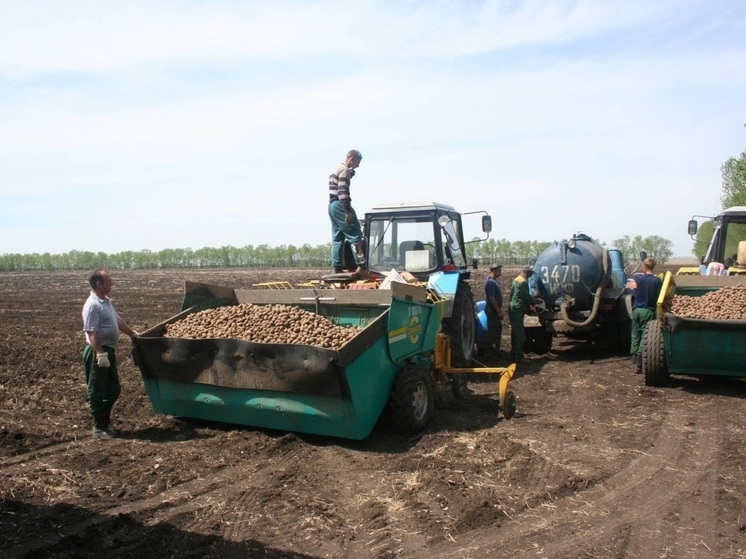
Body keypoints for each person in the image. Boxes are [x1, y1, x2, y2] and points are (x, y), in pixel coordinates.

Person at [81, 268, 138, 439]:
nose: (111, 283)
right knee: (97, 388)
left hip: (108, 351)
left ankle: (104, 423)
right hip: (98, 351)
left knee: (113, 389)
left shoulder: (106, 302)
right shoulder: (92, 305)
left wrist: (133, 334)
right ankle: (99, 427)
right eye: (108, 280)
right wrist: (100, 353)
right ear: (98, 283)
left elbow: (117, 320)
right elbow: (91, 332)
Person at [328, 149, 366, 275]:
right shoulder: (344, 170)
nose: (358, 165)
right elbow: (343, 190)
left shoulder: (338, 168)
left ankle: (336, 267)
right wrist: (347, 211)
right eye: (358, 162)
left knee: (338, 238)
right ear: (352, 158)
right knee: (355, 234)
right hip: (341, 204)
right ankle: (361, 266)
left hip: (332, 205)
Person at [630, 257, 663, 374]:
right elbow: (660, 296)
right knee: (645, 336)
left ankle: (633, 360)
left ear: (644, 267)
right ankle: (639, 365)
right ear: (654, 267)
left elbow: (634, 280)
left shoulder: (638, 278)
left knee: (635, 334)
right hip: (648, 310)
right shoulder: (657, 281)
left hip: (636, 310)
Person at [509, 264, 542, 363]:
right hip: (517, 309)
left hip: (515, 308)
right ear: (526, 272)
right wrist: (537, 301)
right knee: (520, 334)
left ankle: (514, 354)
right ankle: (519, 357)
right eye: (530, 273)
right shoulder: (522, 282)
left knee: (515, 333)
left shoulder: (517, 279)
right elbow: (526, 297)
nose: (531, 275)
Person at [479, 264, 503, 356]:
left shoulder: (493, 281)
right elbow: (492, 298)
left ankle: (493, 351)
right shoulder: (490, 283)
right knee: (493, 331)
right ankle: (489, 352)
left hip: (493, 310)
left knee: (496, 330)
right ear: (494, 271)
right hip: (492, 311)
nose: (500, 273)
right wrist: (498, 311)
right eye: (499, 271)